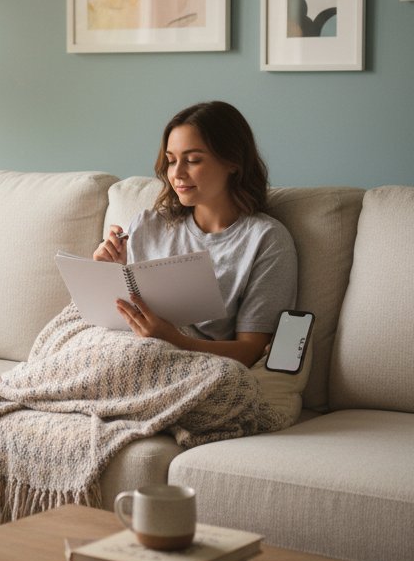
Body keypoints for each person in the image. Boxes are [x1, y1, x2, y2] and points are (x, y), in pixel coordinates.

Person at [93, 100, 297, 367]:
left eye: (193, 160)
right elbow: (114, 316)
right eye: (171, 161)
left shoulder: (265, 240)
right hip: (117, 345)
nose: (176, 173)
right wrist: (106, 272)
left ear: (233, 162)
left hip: (188, 362)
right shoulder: (146, 225)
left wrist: (172, 339)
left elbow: (251, 351)